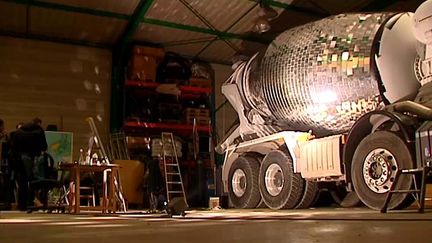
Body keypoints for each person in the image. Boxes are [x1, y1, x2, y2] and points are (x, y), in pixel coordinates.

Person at [12, 118, 48, 210]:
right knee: (33, 181)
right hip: (32, 159)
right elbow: (44, 146)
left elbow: (13, 148)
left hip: (19, 159)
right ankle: (31, 202)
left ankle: (22, 205)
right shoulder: (39, 131)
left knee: (22, 182)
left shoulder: (18, 132)